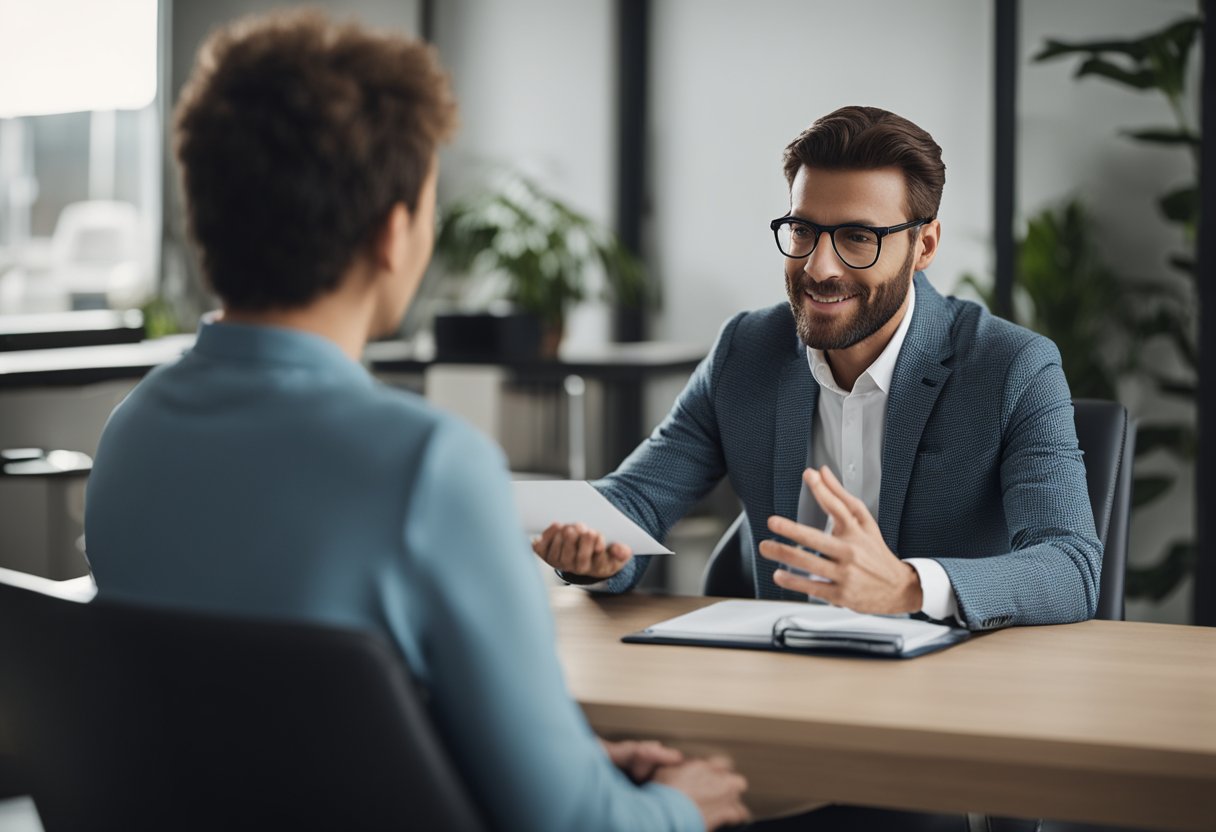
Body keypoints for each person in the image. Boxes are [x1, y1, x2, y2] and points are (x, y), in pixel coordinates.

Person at [83, 12, 748, 832]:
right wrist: (682, 809)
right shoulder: (426, 467)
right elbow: (574, 826)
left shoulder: (128, 435)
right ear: (394, 234)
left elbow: (269, 733)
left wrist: (544, 765)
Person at [534, 106, 1102, 632]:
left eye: (858, 237)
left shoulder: (1012, 367)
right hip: (783, 679)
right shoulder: (746, 350)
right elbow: (637, 501)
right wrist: (591, 551)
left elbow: (1070, 567)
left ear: (924, 245)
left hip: (948, 689)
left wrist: (907, 586)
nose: (820, 267)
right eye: (804, 231)